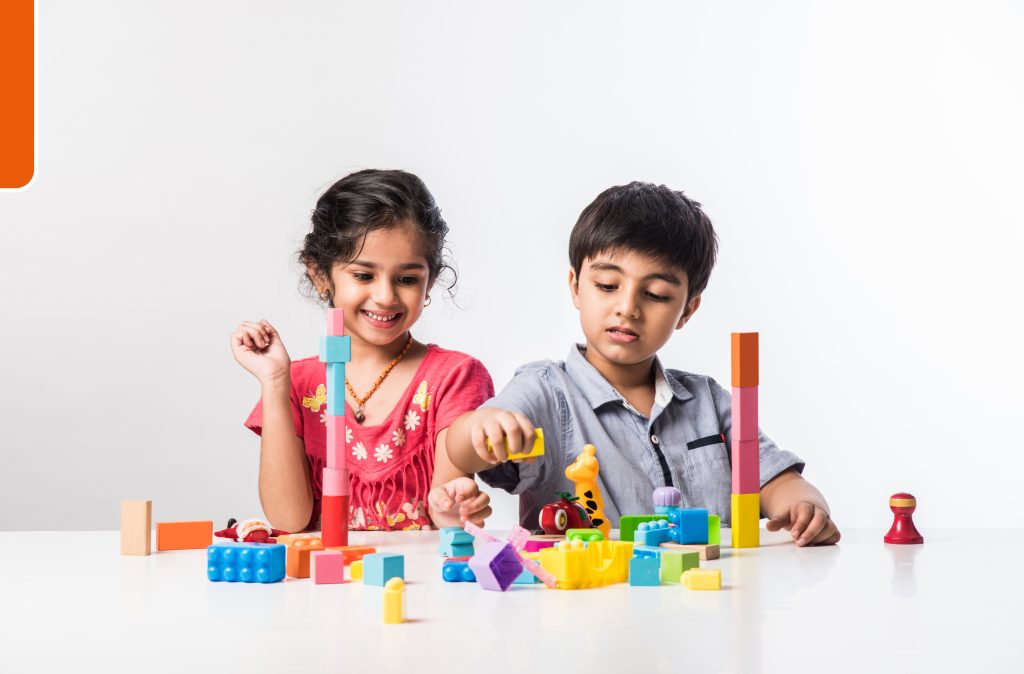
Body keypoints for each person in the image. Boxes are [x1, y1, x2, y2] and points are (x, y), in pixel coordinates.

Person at [446, 181, 841, 546]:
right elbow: (461, 449)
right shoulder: (545, 390)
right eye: (607, 286)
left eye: (655, 294)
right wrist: (483, 427)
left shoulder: (709, 401)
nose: (628, 307)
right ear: (576, 287)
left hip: (706, 592)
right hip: (593, 592)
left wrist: (804, 505)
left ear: (687, 311)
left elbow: (773, 480)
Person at [232, 169, 493, 533]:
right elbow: (289, 519)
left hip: (418, 570)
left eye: (407, 279)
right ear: (320, 274)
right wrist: (275, 382)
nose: (385, 296)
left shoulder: (453, 377)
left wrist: (455, 511)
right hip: (327, 570)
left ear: (430, 280)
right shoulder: (296, 383)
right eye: (364, 275)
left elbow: (445, 510)